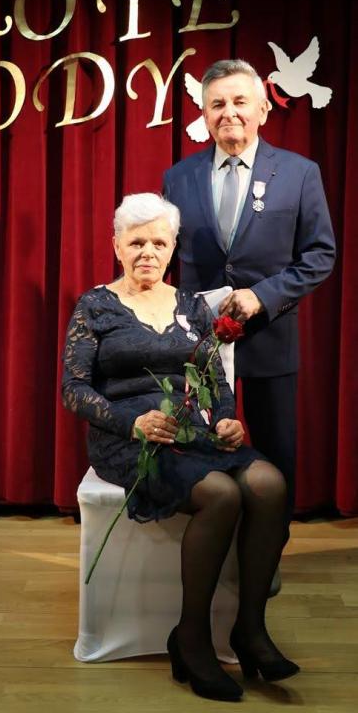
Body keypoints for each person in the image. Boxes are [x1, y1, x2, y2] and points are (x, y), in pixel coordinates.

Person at [62, 193, 299, 703]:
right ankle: (191, 638)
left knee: (268, 484)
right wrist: (132, 423)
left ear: (172, 249)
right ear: (117, 246)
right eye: (136, 242)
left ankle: (250, 628)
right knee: (221, 495)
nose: (147, 252)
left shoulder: (191, 305)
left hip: (194, 430)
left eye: (158, 242)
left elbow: (214, 378)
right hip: (128, 437)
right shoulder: (96, 305)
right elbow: (74, 388)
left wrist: (229, 418)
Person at [163, 59, 336, 520]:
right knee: (201, 455)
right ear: (204, 114)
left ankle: (269, 547)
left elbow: (320, 254)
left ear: (263, 108)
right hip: (200, 345)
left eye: (240, 101)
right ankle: (212, 548)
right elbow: (167, 258)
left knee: (276, 459)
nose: (229, 113)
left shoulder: (299, 173)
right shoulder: (178, 178)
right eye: (217, 104)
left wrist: (263, 295)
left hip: (270, 339)